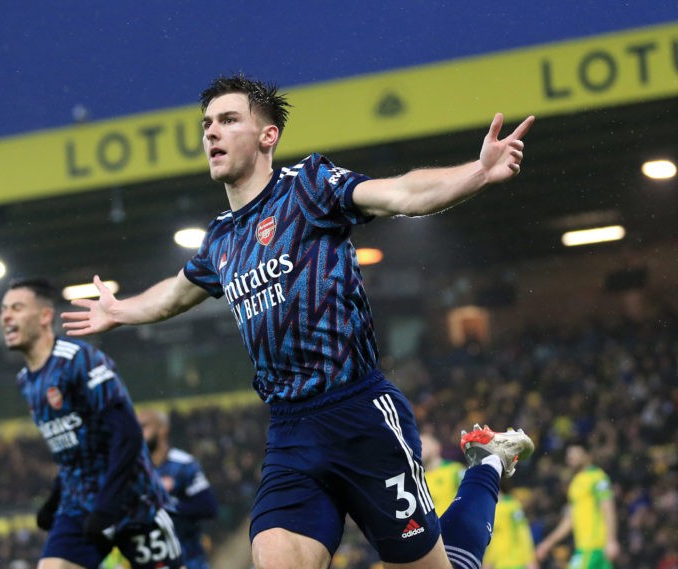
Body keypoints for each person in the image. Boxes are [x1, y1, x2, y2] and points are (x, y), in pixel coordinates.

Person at [62, 74, 536, 569]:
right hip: (290, 431)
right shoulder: (221, 239)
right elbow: (174, 294)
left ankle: (486, 465)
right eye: (206, 124)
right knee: (275, 556)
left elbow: (400, 193)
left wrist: (475, 173)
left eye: (228, 121)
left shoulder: (309, 188)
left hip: (359, 414)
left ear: (268, 136)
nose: (211, 133)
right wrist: (119, 310)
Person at [0, 278, 183, 569]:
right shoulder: (26, 381)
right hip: (79, 506)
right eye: (4, 309)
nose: (6, 316)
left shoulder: (79, 360)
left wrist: (108, 503)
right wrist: (55, 499)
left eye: (17, 307)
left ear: (45, 316)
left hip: (133, 501)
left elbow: (127, 435)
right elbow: (74, 448)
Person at [138, 408, 219, 569]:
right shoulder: (132, 469)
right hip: (149, 561)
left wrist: (166, 508)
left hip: (189, 559)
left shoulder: (183, 464)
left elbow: (208, 507)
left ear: (163, 428)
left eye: (144, 426)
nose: (138, 432)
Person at [535, 439, 619, 569]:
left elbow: (608, 508)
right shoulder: (575, 483)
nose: (571, 458)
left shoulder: (597, 477)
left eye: (575, 454)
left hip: (594, 546)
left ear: (587, 456)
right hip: (587, 547)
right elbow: (570, 520)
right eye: (569, 455)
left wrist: (611, 540)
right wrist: (548, 543)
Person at [482, 479, 538, 569]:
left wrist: (531, 561)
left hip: (514, 564)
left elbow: (523, 534)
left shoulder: (512, 505)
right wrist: (487, 562)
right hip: (496, 565)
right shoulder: (486, 508)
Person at [420, 432, 466, 516]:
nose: (418, 447)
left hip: (452, 526)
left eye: (423, 444)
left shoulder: (455, 469)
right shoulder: (417, 477)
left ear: (436, 447)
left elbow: (473, 494)